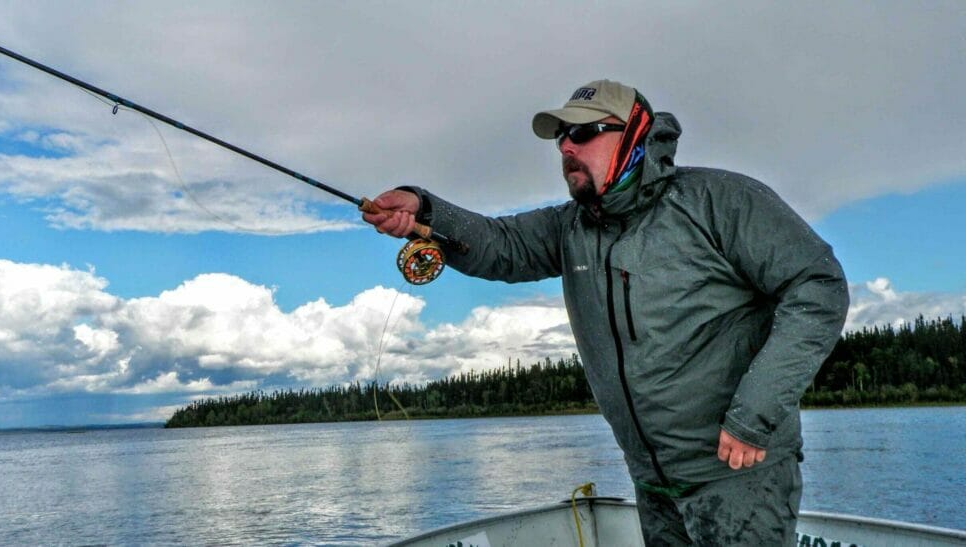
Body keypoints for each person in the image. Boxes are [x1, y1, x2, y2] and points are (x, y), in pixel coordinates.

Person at [362, 79, 849, 545]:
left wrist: (756, 414)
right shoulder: (570, 227)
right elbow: (500, 244)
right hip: (653, 484)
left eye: (583, 132)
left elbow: (818, 285)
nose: (566, 148)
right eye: (560, 138)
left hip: (739, 477)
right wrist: (424, 209)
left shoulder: (719, 201)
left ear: (636, 132)